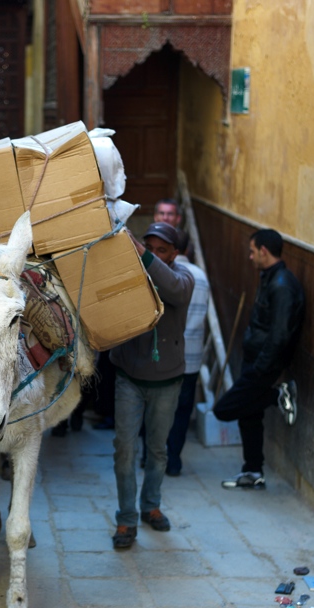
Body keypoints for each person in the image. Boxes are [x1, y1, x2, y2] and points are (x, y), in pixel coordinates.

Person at [109, 223, 195, 549]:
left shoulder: (184, 278)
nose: (155, 254)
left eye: (163, 250)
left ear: (175, 254)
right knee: (125, 451)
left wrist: (142, 254)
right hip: (129, 377)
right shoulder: (129, 275)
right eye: (150, 247)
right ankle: (127, 519)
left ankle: (151, 506)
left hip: (168, 380)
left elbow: (172, 287)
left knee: (158, 450)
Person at [214, 229, 305, 490]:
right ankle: (253, 471)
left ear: (264, 251)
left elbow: (279, 335)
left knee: (225, 409)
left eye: (253, 251)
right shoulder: (270, 278)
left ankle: (279, 395)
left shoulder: (282, 285)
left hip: (263, 364)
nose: (250, 256)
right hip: (255, 358)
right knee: (250, 414)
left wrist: (261, 369)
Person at [164, 229, 210, 476]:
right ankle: (174, 461)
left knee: (158, 409)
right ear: (188, 250)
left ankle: (152, 457)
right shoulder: (201, 277)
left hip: (166, 356)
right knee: (182, 411)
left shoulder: (165, 274)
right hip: (191, 357)